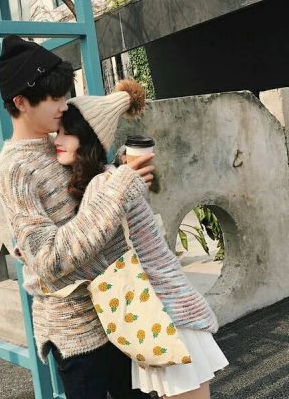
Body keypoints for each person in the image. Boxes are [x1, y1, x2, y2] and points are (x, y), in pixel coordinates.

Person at [0, 35, 153, 398]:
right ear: (20, 101)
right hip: (78, 331)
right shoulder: (14, 168)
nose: (64, 105)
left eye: (64, 94)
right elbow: (49, 259)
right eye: (54, 97)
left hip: (123, 310)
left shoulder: (64, 137)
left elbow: (96, 203)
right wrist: (116, 190)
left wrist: (119, 174)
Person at [53, 79, 229, 399]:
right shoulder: (111, 178)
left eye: (66, 133)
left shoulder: (103, 185)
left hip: (164, 316)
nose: (58, 140)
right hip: (160, 314)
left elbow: (82, 253)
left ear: (88, 138)